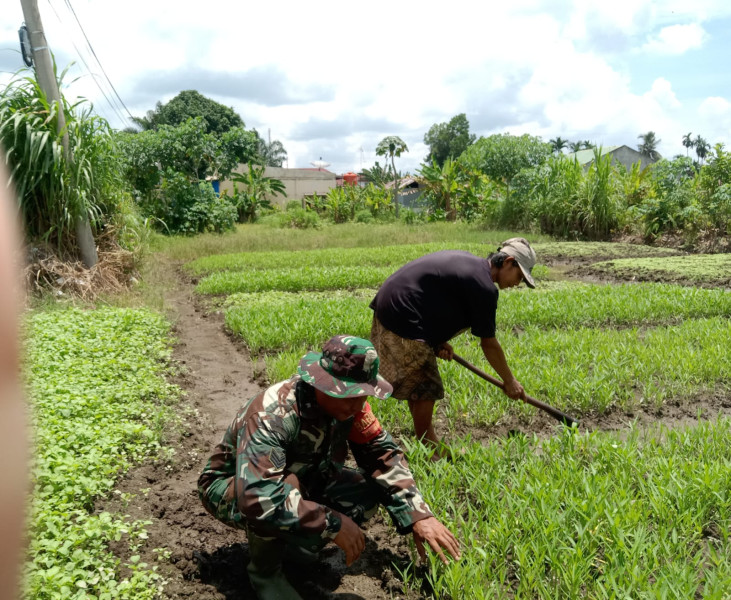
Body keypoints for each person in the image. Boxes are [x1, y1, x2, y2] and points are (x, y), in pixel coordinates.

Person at [198, 335, 460, 600]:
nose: (358, 405)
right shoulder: (273, 414)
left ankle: (294, 548)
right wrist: (332, 524)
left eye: (363, 395)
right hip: (232, 488)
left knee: (368, 490)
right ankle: (265, 573)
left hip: (307, 476)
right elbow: (257, 495)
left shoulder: (352, 407)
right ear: (322, 384)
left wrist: (418, 515)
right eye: (349, 395)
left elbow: (381, 454)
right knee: (286, 487)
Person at [369, 237, 537, 457]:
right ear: (508, 262)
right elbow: (489, 344)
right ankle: (428, 444)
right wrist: (510, 381)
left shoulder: (474, 268)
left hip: (392, 306)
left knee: (418, 381)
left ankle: (425, 441)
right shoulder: (485, 288)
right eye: (519, 276)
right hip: (402, 314)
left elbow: (434, 299)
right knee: (427, 383)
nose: (518, 283)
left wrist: (435, 340)